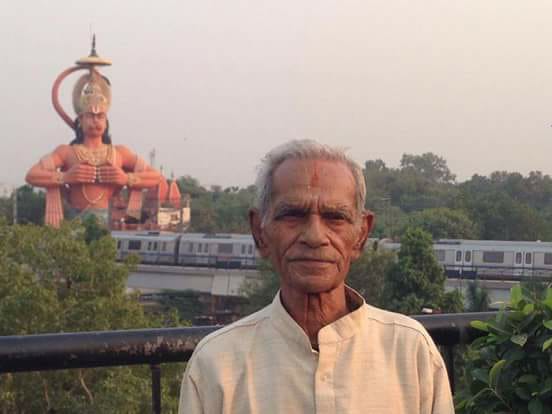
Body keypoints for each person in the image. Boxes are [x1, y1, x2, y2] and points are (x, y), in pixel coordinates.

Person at [178, 140, 454, 414]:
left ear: (361, 234)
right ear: (259, 232)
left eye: (335, 217)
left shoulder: (410, 352)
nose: (314, 236)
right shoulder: (216, 365)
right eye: (293, 215)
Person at [25, 42, 160, 227]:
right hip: (74, 222)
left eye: (100, 116)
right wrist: (64, 177)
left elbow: (155, 177)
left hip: (109, 223)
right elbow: (32, 175)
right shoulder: (67, 152)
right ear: (80, 119)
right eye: (90, 116)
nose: (95, 121)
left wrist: (126, 178)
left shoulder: (119, 153)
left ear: (106, 120)